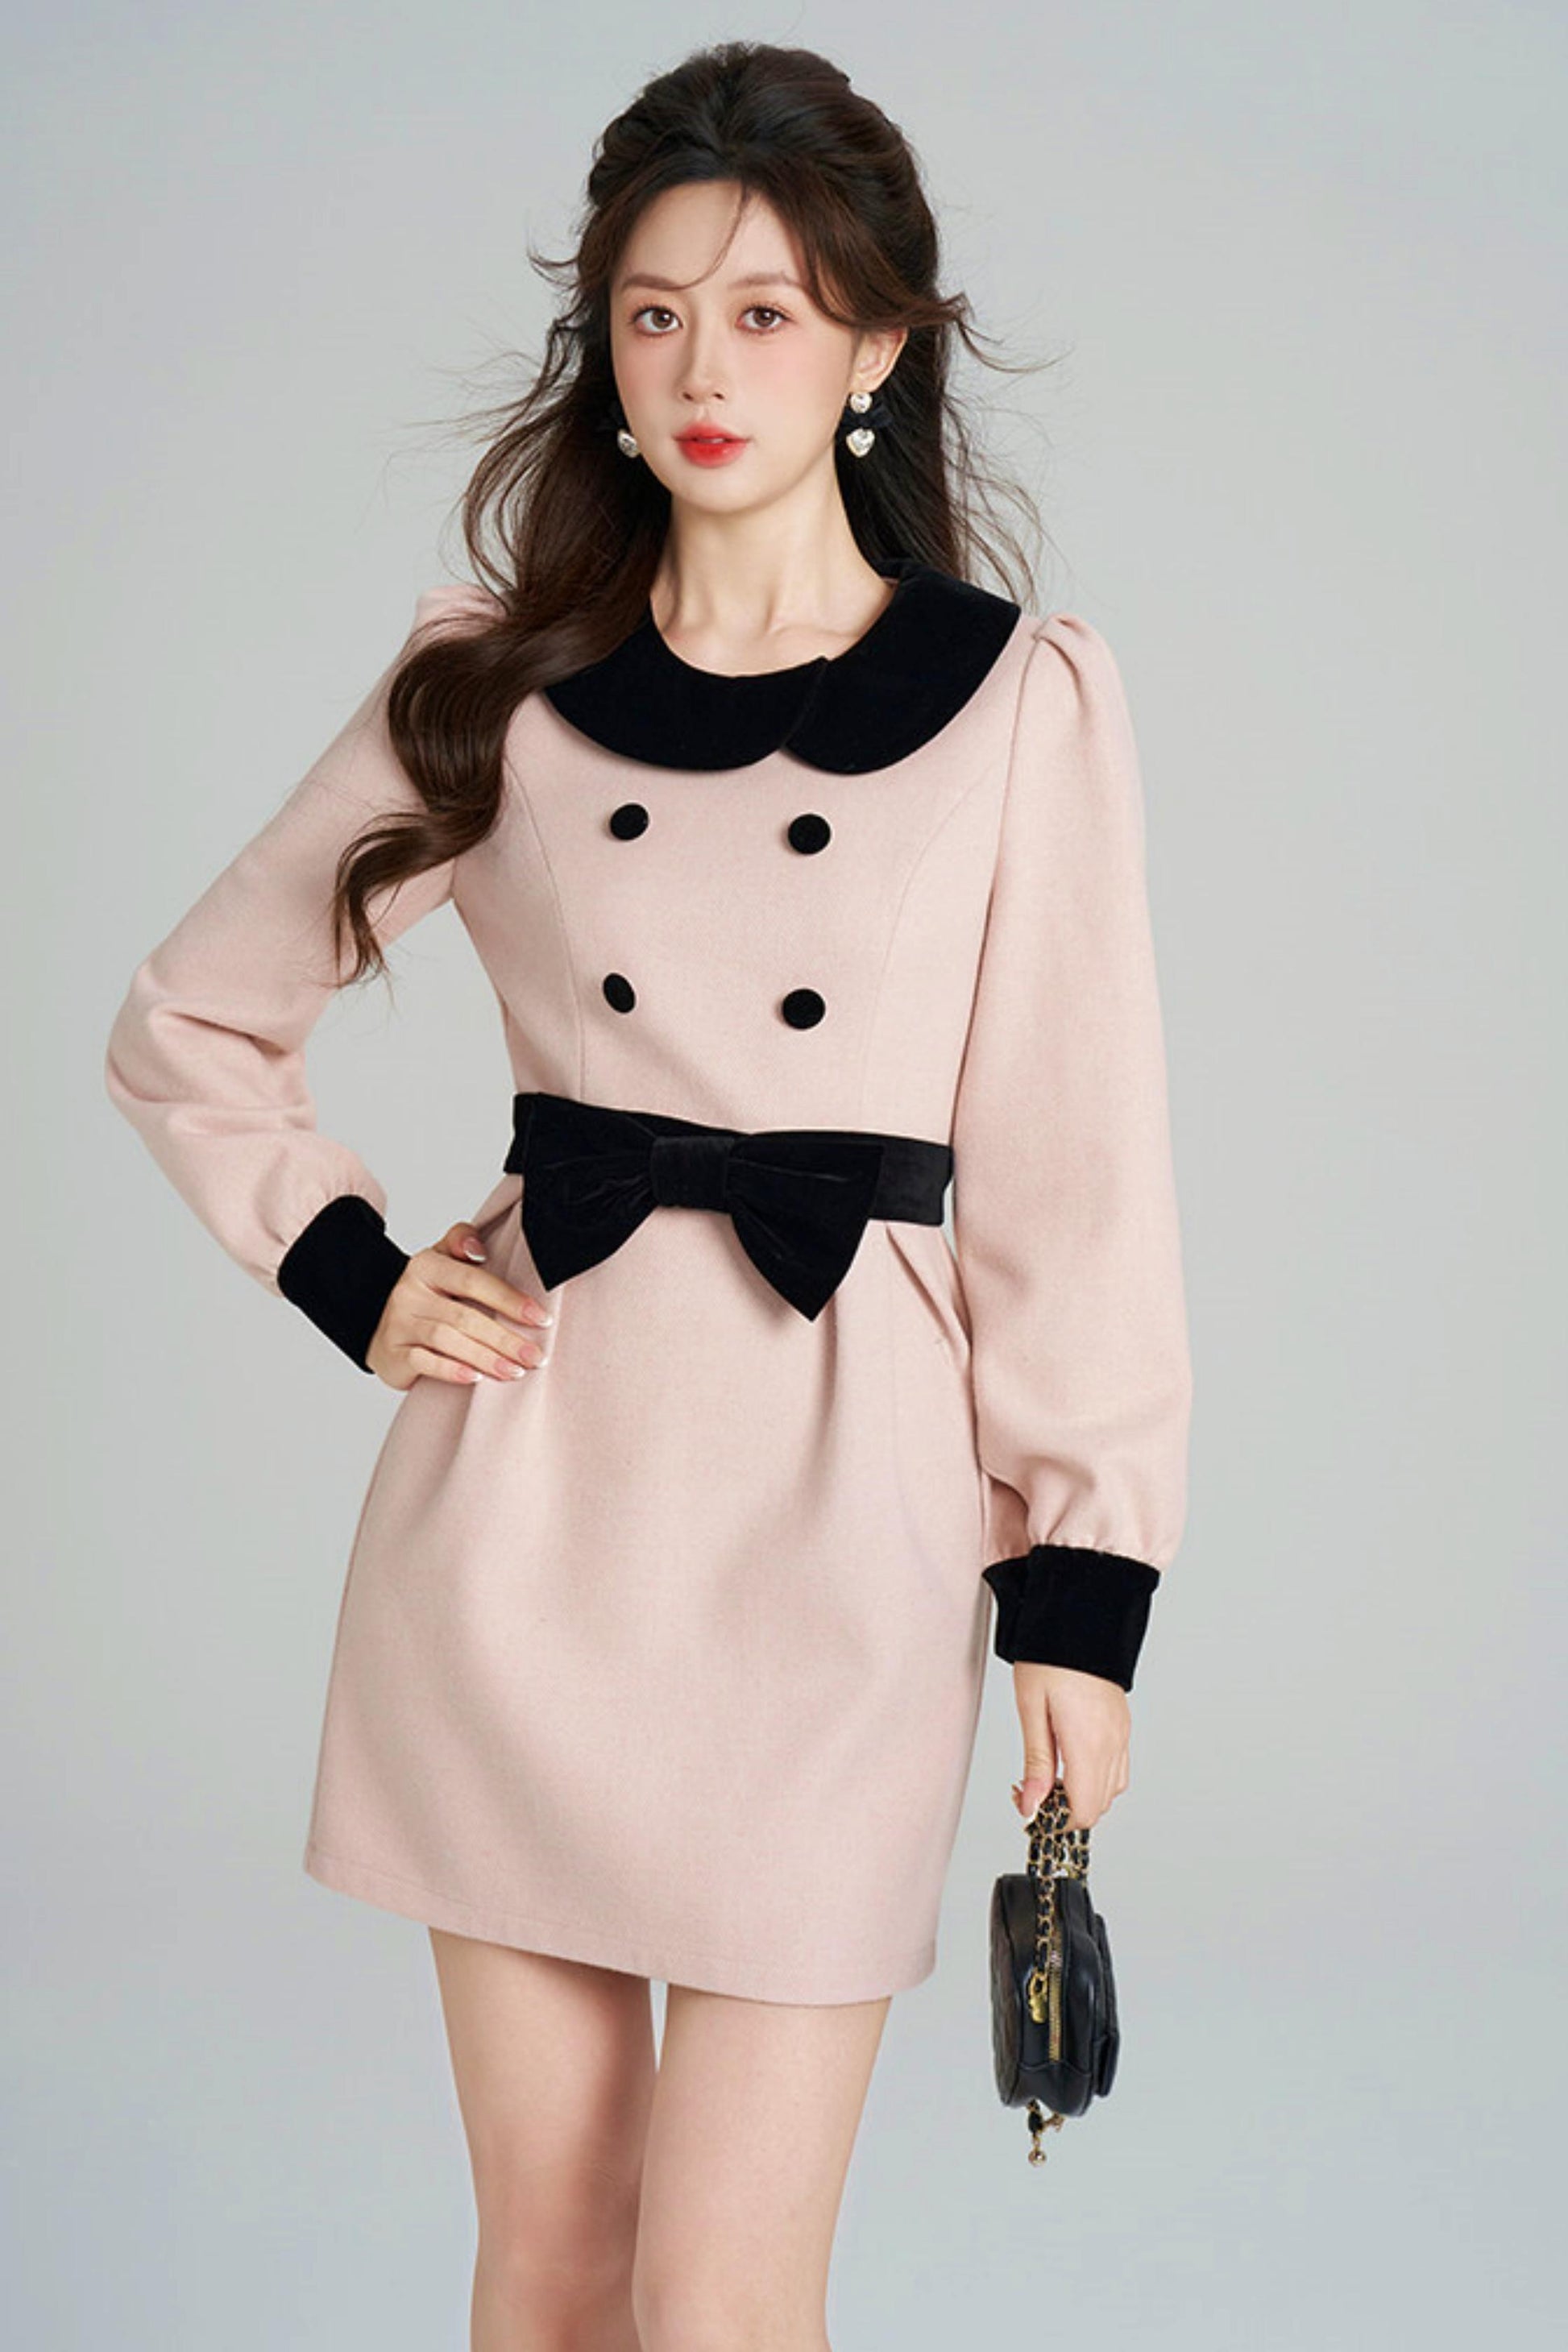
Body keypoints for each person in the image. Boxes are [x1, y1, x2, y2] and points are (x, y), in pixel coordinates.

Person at [103, 38, 1192, 2352]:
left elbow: (1078, 1182)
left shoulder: (1015, 702)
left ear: (878, 349)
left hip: (839, 1529)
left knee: (721, 2295)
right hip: (528, 1522)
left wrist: (1080, 1601)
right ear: (599, 348)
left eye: (768, 312)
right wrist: (353, 1276)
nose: (704, 369)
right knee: (551, 2263)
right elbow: (191, 1018)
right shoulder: (496, 683)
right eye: (654, 313)